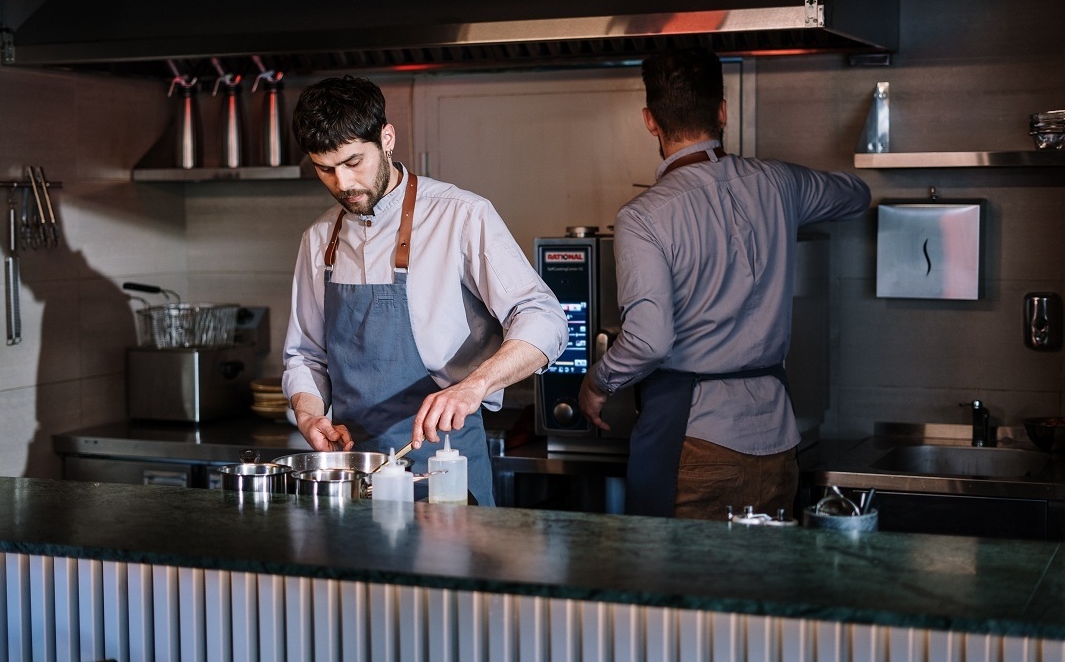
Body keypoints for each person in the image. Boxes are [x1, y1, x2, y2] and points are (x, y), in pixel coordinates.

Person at [578, 48, 871, 519]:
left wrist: (597, 382)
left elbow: (650, 341)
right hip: (777, 444)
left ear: (650, 121)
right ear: (722, 112)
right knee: (759, 590)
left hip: (694, 445)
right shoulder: (779, 184)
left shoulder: (643, 217)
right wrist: (789, 202)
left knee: (678, 590)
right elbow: (856, 196)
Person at [283, 75, 568, 506]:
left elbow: (543, 317)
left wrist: (474, 385)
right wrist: (308, 413)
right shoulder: (318, 238)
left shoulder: (462, 215)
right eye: (326, 169)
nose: (343, 184)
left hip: (444, 462)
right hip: (354, 472)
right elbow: (305, 355)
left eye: (354, 162)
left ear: (387, 138)